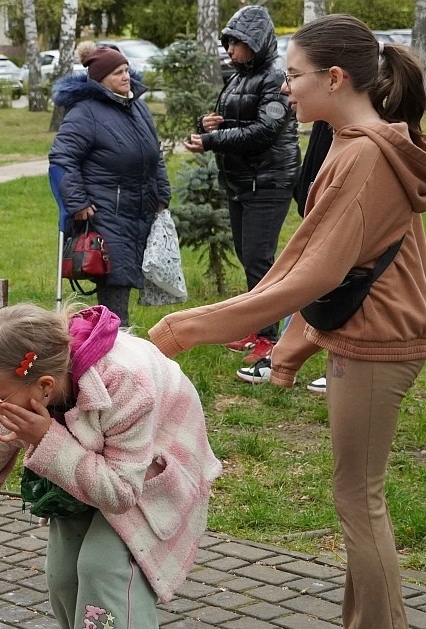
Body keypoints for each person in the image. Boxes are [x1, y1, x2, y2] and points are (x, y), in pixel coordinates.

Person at [150, 14, 426, 629]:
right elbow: (317, 255)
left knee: (359, 499)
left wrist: (189, 327)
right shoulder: (352, 140)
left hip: (380, 344)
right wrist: (293, 340)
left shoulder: (364, 153)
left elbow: (315, 273)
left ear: (334, 78)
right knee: (356, 495)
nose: (285, 87)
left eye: (293, 75)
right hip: (365, 334)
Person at [0, 304, 221, 629]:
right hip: (92, 467)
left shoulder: (125, 383)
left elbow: (121, 491)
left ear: (44, 387)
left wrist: (46, 438)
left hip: (151, 470)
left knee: (103, 569)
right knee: (63, 575)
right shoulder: (16, 394)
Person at [185, 5, 300, 365]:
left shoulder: (274, 79)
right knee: (248, 257)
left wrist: (212, 141)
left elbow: (266, 130)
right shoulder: (237, 77)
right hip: (241, 182)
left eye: (236, 43)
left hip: (268, 182)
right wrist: (207, 124)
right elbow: (234, 120)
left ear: (256, 43)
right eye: (228, 43)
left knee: (258, 260)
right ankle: (256, 327)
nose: (230, 50)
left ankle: (269, 338)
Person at [49, 46, 172, 327]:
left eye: (126, 70)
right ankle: (116, 343)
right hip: (105, 213)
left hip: (138, 210)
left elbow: (155, 154)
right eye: (118, 72)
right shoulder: (85, 112)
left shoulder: (137, 106)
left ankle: (115, 341)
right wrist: (77, 202)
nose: (126, 76)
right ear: (101, 79)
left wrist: (162, 194)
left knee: (124, 279)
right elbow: (62, 157)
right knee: (115, 282)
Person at [237, 119, 334, 394]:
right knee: (309, 281)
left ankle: (287, 358)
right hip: (318, 208)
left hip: (330, 211)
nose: (288, 96)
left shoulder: (360, 131)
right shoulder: (330, 122)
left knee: (316, 281)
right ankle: (281, 357)